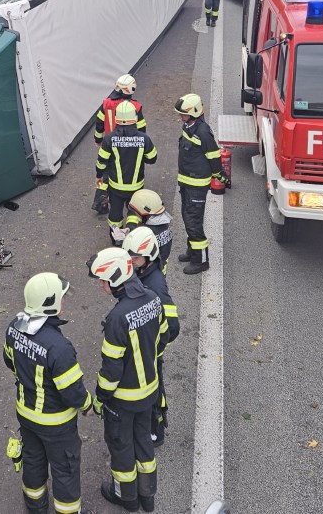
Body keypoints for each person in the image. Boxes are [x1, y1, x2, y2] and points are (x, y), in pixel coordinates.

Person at [3, 274, 92, 514]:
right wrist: (87, 404)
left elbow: (9, 361)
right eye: (61, 298)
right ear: (52, 304)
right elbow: (72, 392)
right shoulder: (59, 348)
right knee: (65, 470)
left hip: (26, 414)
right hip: (57, 425)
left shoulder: (14, 327)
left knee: (33, 461)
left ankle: (35, 507)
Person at [88, 247, 163, 513]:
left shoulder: (117, 319)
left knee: (121, 449)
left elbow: (111, 372)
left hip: (122, 400)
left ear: (116, 281)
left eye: (102, 280)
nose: (100, 285)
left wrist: (99, 398)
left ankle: (126, 497)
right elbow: (163, 335)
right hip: (149, 392)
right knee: (143, 441)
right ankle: (148, 496)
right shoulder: (153, 298)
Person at [122, 227, 179, 447]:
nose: (131, 260)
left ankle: (156, 431)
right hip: (144, 346)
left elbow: (172, 325)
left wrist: (154, 345)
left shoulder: (155, 284)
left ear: (148, 256)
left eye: (135, 257)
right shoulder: (144, 270)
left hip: (150, 351)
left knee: (155, 391)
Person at [173, 94, 227, 276]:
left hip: (196, 184)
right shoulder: (188, 126)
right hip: (186, 181)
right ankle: (192, 251)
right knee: (187, 217)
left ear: (194, 113)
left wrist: (220, 175)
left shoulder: (203, 131)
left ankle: (201, 261)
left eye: (184, 114)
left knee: (194, 222)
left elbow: (213, 155)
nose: (181, 117)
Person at [96, 101, 157, 244]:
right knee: (134, 212)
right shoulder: (144, 139)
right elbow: (152, 159)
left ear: (116, 118)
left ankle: (116, 240)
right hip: (136, 186)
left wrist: (99, 176)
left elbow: (101, 161)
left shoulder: (109, 138)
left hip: (116, 187)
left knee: (115, 215)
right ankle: (131, 237)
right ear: (134, 118)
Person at [121, 189, 174, 273]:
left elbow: (134, 253)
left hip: (147, 273)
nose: (135, 214)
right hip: (160, 269)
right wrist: (130, 227)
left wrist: (123, 240)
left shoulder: (147, 233)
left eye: (136, 212)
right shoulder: (162, 223)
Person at [93, 75, 146, 145]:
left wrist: (98, 140)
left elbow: (99, 124)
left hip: (110, 143)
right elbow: (141, 128)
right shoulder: (135, 106)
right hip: (130, 146)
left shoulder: (106, 103)